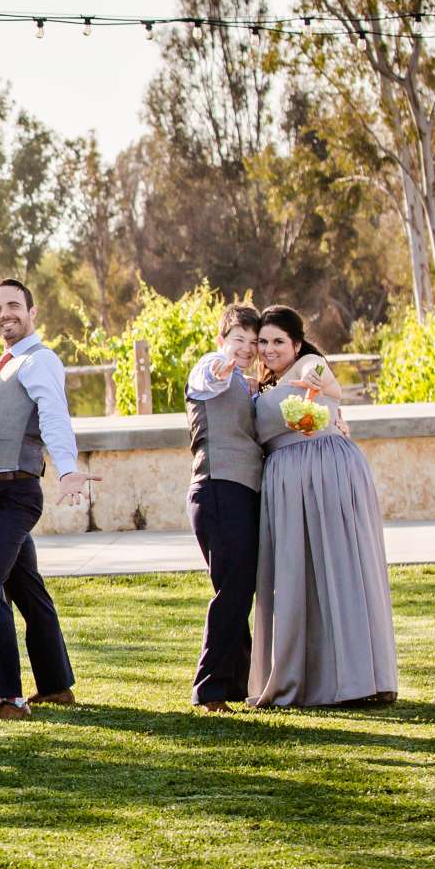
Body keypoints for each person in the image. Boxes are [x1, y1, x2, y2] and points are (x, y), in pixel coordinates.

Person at [249, 305, 398, 707]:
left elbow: (322, 385)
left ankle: (356, 678)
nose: (268, 349)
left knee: (341, 568)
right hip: (287, 482)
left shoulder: (309, 364)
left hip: (326, 471)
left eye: (278, 341)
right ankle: (311, 675)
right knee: (299, 578)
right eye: (262, 341)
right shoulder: (260, 387)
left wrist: (324, 396)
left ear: (296, 344)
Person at [0, 278, 94, 720]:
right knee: (28, 591)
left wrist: (69, 466)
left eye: (13, 306)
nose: (5, 315)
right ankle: (56, 685)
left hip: (14, 491)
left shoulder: (40, 361)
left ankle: (7, 697)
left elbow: (55, 415)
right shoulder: (2, 365)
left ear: (33, 312)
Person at [185, 303, 265, 713]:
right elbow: (211, 373)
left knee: (236, 587)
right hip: (218, 489)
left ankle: (235, 682)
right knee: (233, 589)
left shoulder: (245, 382)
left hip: (239, 490)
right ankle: (209, 687)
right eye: (239, 341)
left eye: (253, 342)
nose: (247, 349)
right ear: (222, 340)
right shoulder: (212, 368)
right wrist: (224, 363)